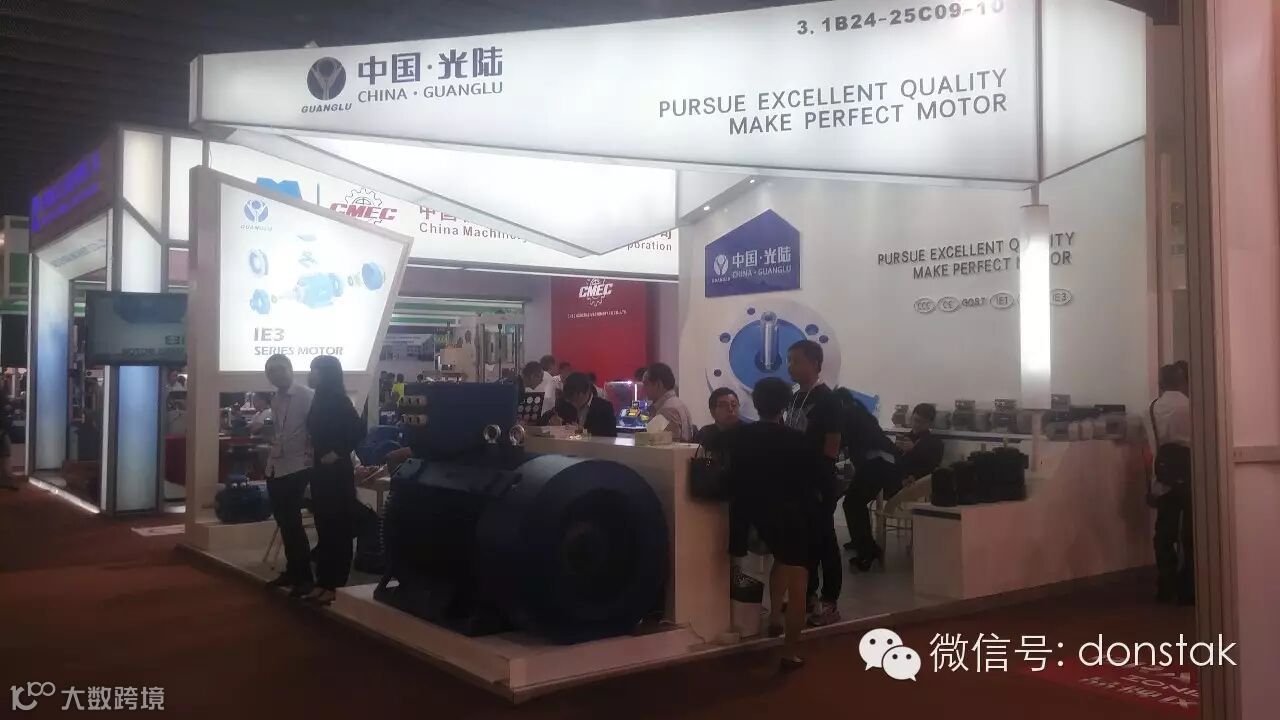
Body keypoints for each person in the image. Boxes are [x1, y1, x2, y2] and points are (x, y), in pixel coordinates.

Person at [727, 377, 819, 671]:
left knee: (780, 562)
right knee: (799, 583)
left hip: (752, 515)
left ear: (755, 403)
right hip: (789, 517)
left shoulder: (740, 436)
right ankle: (789, 653)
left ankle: (775, 618)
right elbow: (808, 485)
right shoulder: (797, 440)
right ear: (785, 405)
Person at [785, 340, 843, 626]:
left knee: (824, 540)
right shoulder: (795, 397)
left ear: (815, 364)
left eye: (796, 361)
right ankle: (806, 595)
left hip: (819, 481)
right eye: (789, 361)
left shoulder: (828, 400)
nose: (790, 366)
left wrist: (820, 480)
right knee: (803, 540)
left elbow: (832, 444)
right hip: (797, 481)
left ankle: (830, 601)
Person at [305, 355, 366, 605]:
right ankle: (323, 580)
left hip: (336, 473)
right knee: (324, 527)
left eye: (315, 370)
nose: (310, 374)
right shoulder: (318, 399)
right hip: (319, 470)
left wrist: (338, 452)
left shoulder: (339, 401)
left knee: (338, 527)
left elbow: (358, 431)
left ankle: (335, 583)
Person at [259, 355, 315, 597]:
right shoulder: (275, 399)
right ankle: (293, 571)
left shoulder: (306, 395)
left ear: (290, 369)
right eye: (270, 371)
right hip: (276, 466)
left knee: (293, 523)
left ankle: (304, 577)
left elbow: (315, 428)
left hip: (297, 466)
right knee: (284, 522)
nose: (275, 374)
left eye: (279, 369)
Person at [1150, 363, 1193, 605]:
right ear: (1183, 381)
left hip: (1165, 477)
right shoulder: (1192, 407)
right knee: (1191, 534)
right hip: (1191, 476)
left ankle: (1166, 584)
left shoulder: (1153, 408)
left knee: (1164, 534)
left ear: (1161, 384)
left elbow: (1152, 449)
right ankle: (1189, 588)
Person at [695, 388, 749, 562]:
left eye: (734, 405)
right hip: (708, 498)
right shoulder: (705, 433)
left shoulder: (748, 434)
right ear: (712, 411)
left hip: (738, 500)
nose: (730, 409)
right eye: (724, 405)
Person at [542, 372, 618, 437]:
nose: (574, 403)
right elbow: (545, 421)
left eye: (577, 398)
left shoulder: (604, 407)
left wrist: (582, 432)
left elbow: (610, 436)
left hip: (594, 448)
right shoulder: (565, 404)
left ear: (587, 391)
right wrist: (553, 425)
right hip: (568, 447)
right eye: (571, 400)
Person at [642, 362, 696, 442]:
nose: (643, 388)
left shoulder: (667, 409)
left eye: (646, 384)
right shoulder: (677, 403)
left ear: (658, 384)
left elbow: (661, 444)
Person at [0, 387, 17, 491]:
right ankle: (7, 479)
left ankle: (7, 479)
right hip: (3, 432)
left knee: (5, 456)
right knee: (6, 456)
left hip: (3, 431)